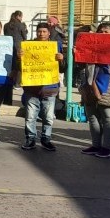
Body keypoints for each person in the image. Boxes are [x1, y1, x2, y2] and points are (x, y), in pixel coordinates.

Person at [79, 22, 110, 158]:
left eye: (107, 32)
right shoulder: (91, 46)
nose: (103, 34)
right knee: (92, 118)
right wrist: (77, 53)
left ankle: (106, 148)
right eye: (101, 31)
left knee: (108, 118)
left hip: (108, 89)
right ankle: (96, 145)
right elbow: (81, 65)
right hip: (90, 87)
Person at [20, 22, 64, 151]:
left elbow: (62, 69)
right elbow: (19, 67)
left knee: (48, 116)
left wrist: (61, 59)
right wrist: (20, 58)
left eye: (44, 31)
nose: (42, 34)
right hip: (32, 87)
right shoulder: (28, 47)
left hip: (50, 88)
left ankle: (46, 139)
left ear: (49, 33)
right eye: (39, 31)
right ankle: (30, 138)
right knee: (30, 116)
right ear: (36, 32)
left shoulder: (56, 46)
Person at [3, 10, 28, 105]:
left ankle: (10, 82)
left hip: (8, 46)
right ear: (18, 16)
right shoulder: (20, 25)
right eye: (21, 16)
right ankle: (17, 84)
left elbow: (5, 35)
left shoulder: (6, 25)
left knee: (10, 65)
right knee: (18, 66)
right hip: (18, 47)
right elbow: (24, 37)